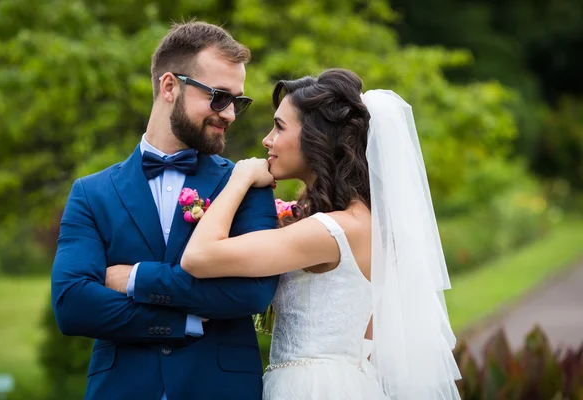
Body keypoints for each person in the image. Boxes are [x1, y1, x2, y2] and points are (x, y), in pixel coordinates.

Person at [178, 69, 462, 399]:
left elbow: (198, 257)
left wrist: (239, 179)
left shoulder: (330, 232)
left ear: (317, 139)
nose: (267, 140)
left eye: (280, 127)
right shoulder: (362, 223)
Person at [51, 21, 279, 400]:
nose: (230, 115)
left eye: (238, 102)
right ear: (170, 86)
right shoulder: (91, 193)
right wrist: (183, 320)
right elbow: (73, 304)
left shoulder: (246, 183)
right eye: (219, 97)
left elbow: (252, 292)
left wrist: (137, 279)